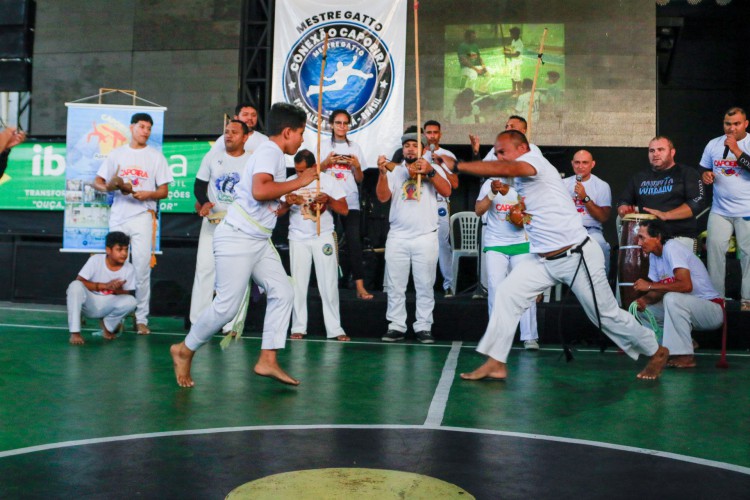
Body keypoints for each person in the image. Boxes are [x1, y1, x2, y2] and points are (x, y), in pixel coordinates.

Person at [438, 130, 669, 380]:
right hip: (544, 260)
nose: (498, 155)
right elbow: (504, 178)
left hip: (577, 256)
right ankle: (496, 362)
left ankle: (655, 350)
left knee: (605, 316)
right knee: (507, 293)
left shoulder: (534, 163)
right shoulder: (519, 176)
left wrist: (459, 165)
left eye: (502, 151)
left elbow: (512, 169)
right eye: (496, 151)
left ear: (522, 149)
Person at [170, 103, 316, 388]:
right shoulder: (270, 152)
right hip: (237, 236)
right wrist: (300, 181)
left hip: (258, 238)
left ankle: (268, 359)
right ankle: (184, 350)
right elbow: (260, 189)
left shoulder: (270, 153)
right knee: (226, 307)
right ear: (287, 132)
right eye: (300, 133)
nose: (302, 140)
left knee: (283, 291)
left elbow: (264, 196)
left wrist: (285, 200)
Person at [93, 112, 172, 335]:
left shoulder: (156, 157)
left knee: (141, 269)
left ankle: (141, 318)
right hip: (119, 216)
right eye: (142, 127)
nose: (145, 131)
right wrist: (109, 187)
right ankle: (114, 317)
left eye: (149, 128)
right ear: (132, 127)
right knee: (116, 268)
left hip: (142, 217)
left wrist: (149, 193)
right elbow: (98, 182)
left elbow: (164, 191)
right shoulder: (117, 154)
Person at [377, 133, 452, 343]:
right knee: (395, 285)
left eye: (415, 145)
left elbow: (447, 191)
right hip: (398, 236)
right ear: (403, 150)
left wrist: (429, 172)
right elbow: (382, 197)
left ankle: (424, 326)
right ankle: (396, 325)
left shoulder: (432, 169)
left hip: (425, 237)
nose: (410, 149)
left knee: (425, 284)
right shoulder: (396, 170)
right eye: (407, 146)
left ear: (423, 149)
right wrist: (382, 174)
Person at [278, 149, 350, 341]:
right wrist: (286, 202)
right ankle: (298, 326)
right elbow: (277, 213)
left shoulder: (328, 181)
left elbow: (344, 210)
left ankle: (335, 329)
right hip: (298, 237)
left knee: (329, 283)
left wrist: (329, 199)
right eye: (297, 170)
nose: (300, 174)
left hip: (323, 236)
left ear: (312, 167)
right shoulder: (291, 181)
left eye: (303, 171)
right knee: (298, 284)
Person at [189, 120, 251, 335]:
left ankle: (233, 323)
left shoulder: (251, 161)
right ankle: (199, 320)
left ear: (245, 137)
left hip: (239, 225)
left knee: (236, 274)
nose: (229, 135)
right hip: (213, 222)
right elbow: (198, 185)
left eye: (234, 132)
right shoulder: (213, 156)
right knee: (205, 269)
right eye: (226, 132)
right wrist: (204, 202)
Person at [633, 220, 723, 368]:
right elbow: (657, 292)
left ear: (658, 237)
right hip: (687, 307)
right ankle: (679, 345)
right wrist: (643, 300)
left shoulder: (672, 248)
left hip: (711, 310)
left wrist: (648, 285)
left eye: (642, 237)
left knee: (672, 298)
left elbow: (686, 285)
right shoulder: (654, 256)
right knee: (644, 311)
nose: (639, 242)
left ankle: (686, 356)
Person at [475, 169, 540, 350]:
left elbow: (535, 212)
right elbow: (478, 211)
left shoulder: (525, 182)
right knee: (496, 287)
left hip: (521, 243)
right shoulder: (490, 183)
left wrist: (519, 208)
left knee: (525, 288)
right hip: (496, 243)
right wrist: (492, 193)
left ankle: (529, 336)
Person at [699, 107, 750, 311]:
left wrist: (736, 149)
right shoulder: (714, 144)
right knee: (714, 252)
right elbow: (703, 168)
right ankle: (716, 299)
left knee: (748, 255)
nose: (731, 128)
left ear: (745, 124)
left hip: (747, 209)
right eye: (728, 124)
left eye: (736, 124)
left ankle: (747, 300)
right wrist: (705, 175)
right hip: (720, 210)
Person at [319, 109, 373, 300]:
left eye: (345, 123)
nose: (342, 126)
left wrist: (357, 166)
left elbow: (359, 179)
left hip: (349, 200)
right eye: (338, 123)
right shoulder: (323, 145)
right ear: (331, 125)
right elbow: (314, 173)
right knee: (325, 240)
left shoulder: (355, 147)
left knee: (354, 242)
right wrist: (326, 162)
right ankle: (325, 286)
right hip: (327, 199)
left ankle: (359, 286)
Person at [617, 136, 706, 250]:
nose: (655, 154)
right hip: (645, 239)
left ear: (672, 152)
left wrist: (666, 215)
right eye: (652, 151)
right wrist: (623, 209)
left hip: (677, 237)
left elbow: (697, 203)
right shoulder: (639, 177)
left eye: (661, 150)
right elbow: (623, 201)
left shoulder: (687, 173)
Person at [66, 231, 137, 345]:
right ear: (108, 250)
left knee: (131, 301)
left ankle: (107, 328)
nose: (124, 253)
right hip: (89, 303)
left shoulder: (129, 268)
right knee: (74, 286)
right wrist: (105, 285)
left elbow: (126, 293)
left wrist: (116, 289)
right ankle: (75, 333)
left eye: (126, 249)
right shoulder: (96, 260)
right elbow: (79, 281)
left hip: (108, 304)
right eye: (119, 249)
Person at [562, 150, 612, 276]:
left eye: (585, 163)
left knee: (601, 245)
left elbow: (603, 217)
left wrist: (585, 197)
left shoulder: (601, 186)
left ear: (592, 164)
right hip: (566, 230)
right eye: (577, 162)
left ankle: (602, 283)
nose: (580, 166)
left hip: (591, 230)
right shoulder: (563, 184)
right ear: (572, 164)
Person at [424, 120, 459, 297]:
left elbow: (455, 184)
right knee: (421, 244)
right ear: (423, 134)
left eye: (435, 132)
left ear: (440, 134)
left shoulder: (447, 154)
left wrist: (442, 164)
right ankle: (424, 285)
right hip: (420, 204)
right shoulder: (417, 153)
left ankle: (448, 285)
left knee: (442, 244)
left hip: (439, 203)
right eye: (428, 132)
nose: (432, 136)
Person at [470, 115, 542, 161]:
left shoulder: (532, 148)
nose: (507, 129)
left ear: (523, 131)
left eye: (512, 126)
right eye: (506, 126)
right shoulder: (496, 149)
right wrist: (476, 152)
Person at [504, 27, 523, 95]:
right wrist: (507, 49)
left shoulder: (519, 43)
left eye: (511, 34)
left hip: (517, 63)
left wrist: (508, 55)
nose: (510, 35)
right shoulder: (513, 41)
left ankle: (519, 92)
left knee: (517, 78)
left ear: (516, 34)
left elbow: (517, 54)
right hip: (513, 62)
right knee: (512, 76)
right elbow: (513, 50)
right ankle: (514, 90)